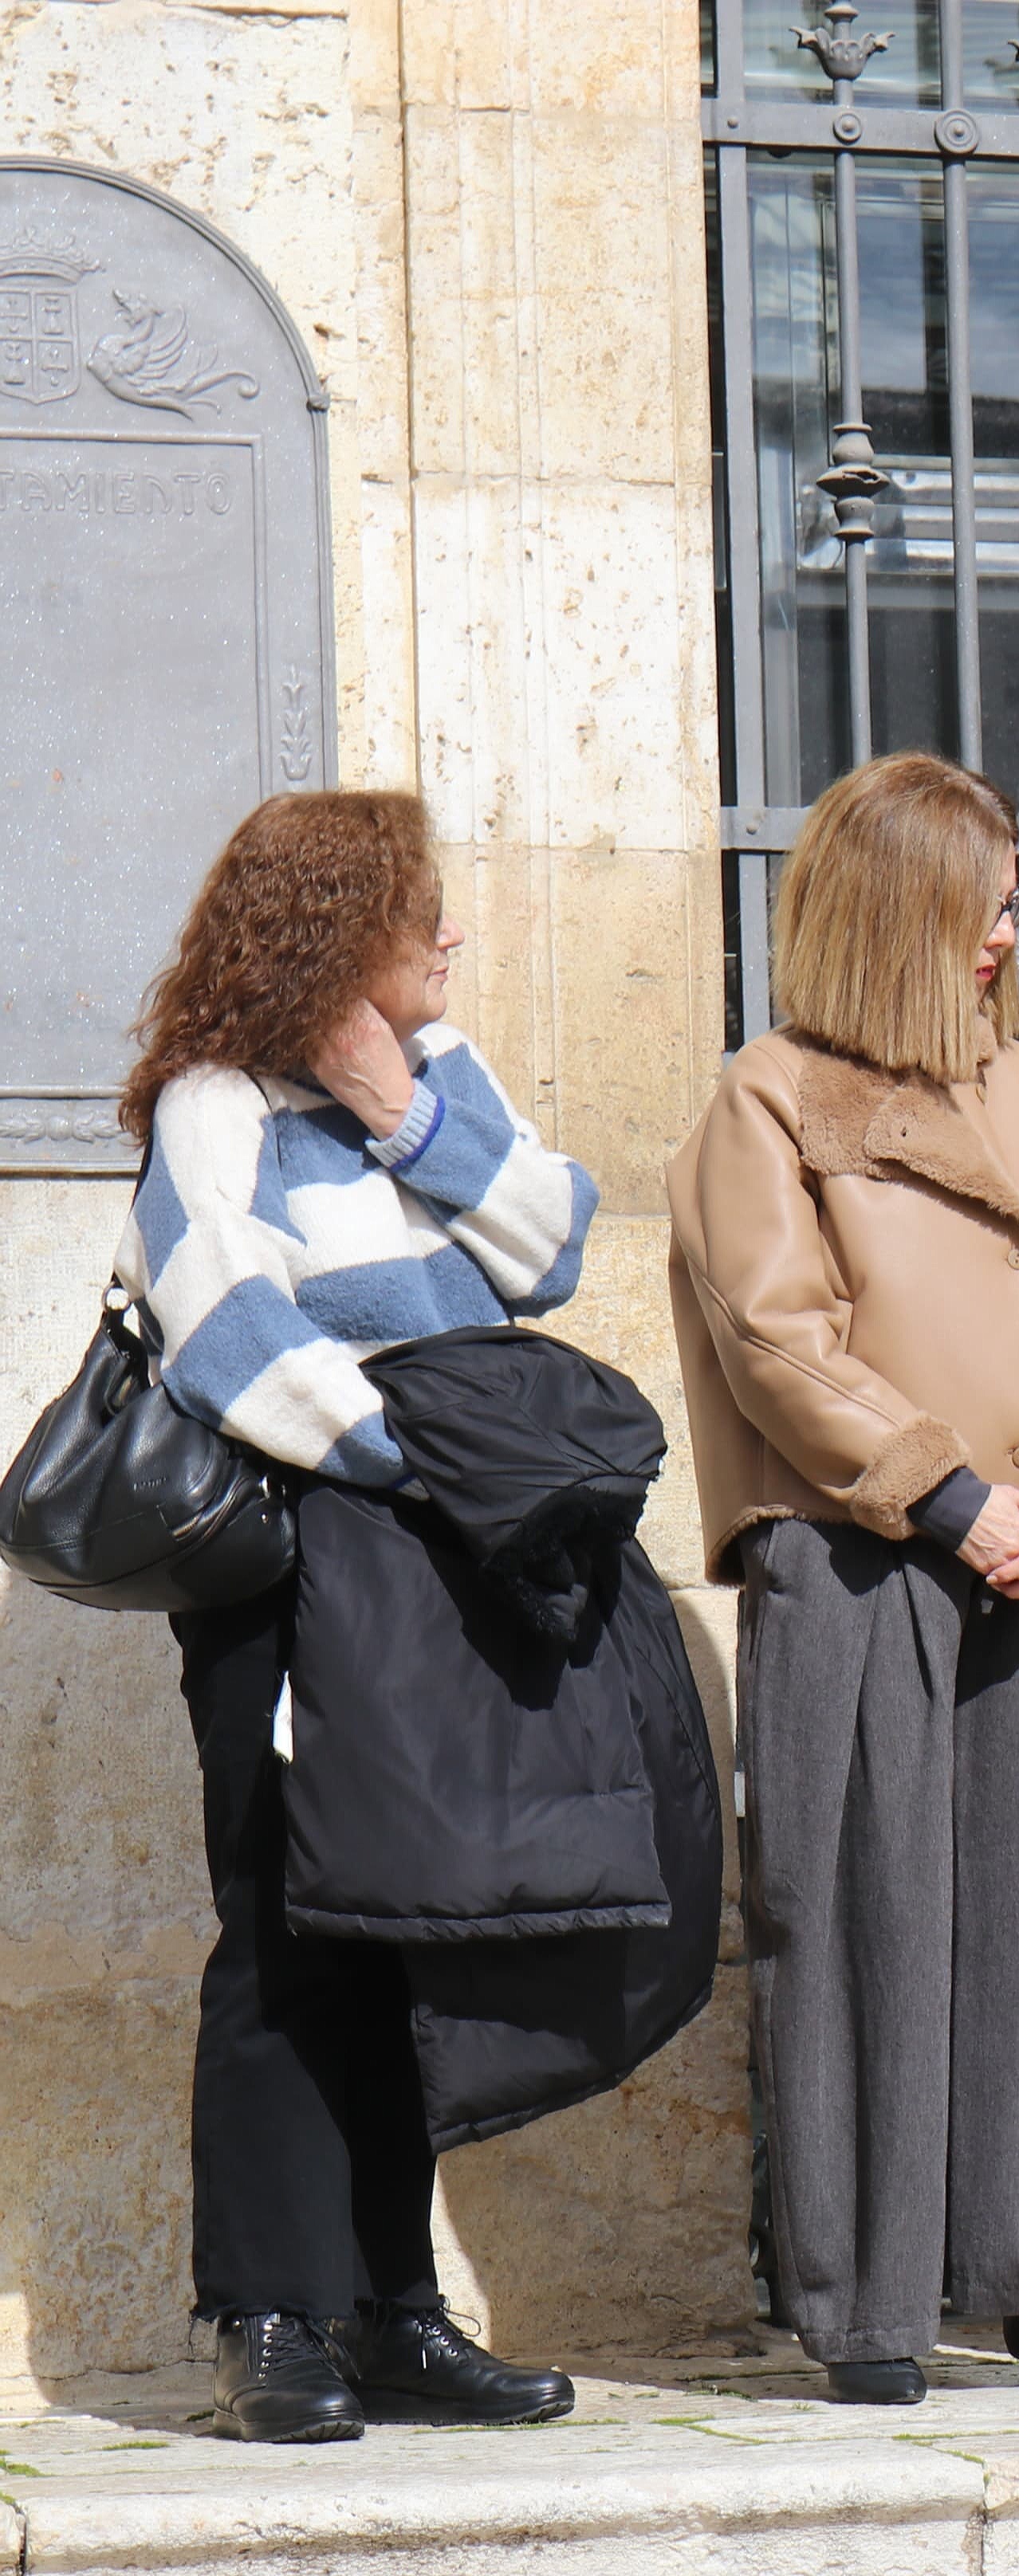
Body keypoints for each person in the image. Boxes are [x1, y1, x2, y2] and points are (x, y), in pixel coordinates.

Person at [667, 752, 1019, 2403]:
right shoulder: (767, 1098)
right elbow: (775, 1341)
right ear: (901, 907)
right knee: (864, 1919)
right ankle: (867, 2297)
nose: (1003, 934)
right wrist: (947, 1494)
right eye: (980, 898)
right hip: (863, 1555)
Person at [124, 790, 604, 2443]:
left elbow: (550, 1245)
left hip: (442, 1556)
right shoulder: (214, 1103)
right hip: (309, 1552)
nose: (452, 939)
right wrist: (430, 1457)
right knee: (283, 1924)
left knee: (415, 1922)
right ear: (340, 926)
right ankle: (266, 2310)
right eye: (424, 914)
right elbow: (223, 1322)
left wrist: (402, 1106)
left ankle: (395, 2309)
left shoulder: (438, 1075)